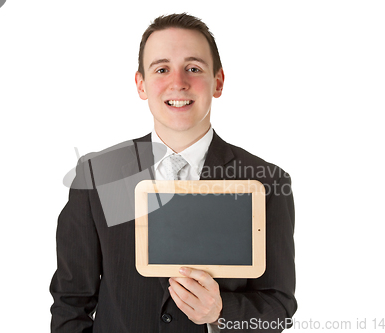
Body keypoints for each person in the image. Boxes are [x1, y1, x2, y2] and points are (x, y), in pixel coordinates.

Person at [50, 13, 296, 333]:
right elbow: (71, 302)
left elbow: (278, 309)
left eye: (193, 68)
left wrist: (221, 310)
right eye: (162, 69)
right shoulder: (98, 176)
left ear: (218, 82)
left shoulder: (267, 182)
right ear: (141, 84)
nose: (178, 82)